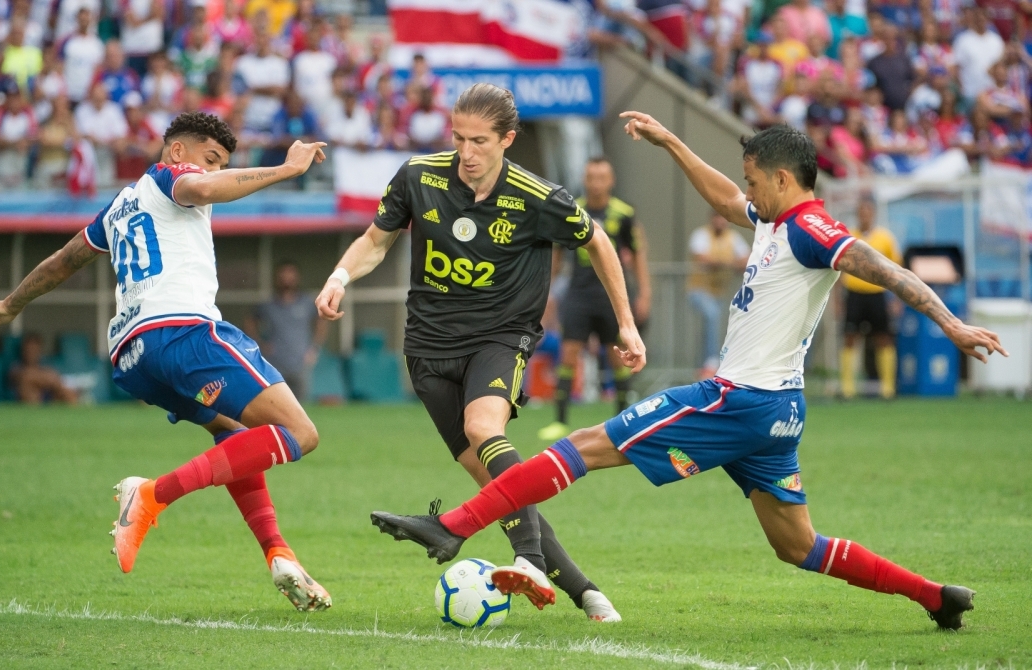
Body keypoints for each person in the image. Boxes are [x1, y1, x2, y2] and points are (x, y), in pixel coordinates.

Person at [369, 115, 1008, 632]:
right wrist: (673, 143)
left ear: (784, 180)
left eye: (754, 180)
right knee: (798, 547)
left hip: (736, 400)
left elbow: (883, 267)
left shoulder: (811, 227)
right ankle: (933, 596)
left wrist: (948, 321)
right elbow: (726, 199)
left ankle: (451, 526)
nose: (745, 190)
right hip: (778, 411)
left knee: (586, 446)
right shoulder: (776, 222)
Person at [0, 112, 334, 612]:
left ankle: (277, 550)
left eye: (219, 164)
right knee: (303, 433)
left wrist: (11, 303)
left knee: (233, 432)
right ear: (177, 152)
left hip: (132, 357)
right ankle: (153, 495)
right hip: (182, 331)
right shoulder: (172, 180)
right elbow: (204, 191)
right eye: (207, 160)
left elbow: (63, 260)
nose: (209, 171)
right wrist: (286, 170)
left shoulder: (119, 205)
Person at [315, 83, 642, 622]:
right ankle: (585, 592)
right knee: (499, 485)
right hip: (427, 348)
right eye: (459, 138)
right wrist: (339, 276)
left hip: (500, 337)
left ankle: (529, 559)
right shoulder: (419, 177)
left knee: (484, 430)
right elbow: (376, 239)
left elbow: (598, 242)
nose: (466, 153)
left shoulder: (539, 197)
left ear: (508, 140)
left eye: (480, 141)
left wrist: (626, 323)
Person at [538, 156, 650, 442]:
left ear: (611, 181)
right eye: (591, 178)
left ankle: (623, 421)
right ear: (585, 180)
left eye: (602, 178)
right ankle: (560, 421)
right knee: (569, 354)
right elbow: (558, 254)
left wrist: (644, 293)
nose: (596, 184)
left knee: (617, 357)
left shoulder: (624, 213)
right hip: (578, 294)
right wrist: (547, 292)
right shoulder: (573, 210)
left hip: (610, 295)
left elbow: (637, 254)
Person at [840, 195, 903, 399]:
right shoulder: (848, 236)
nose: (864, 215)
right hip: (854, 294)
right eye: (861, 211)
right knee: (850, 338)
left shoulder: (885, 238)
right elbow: (838, 269)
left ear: (873, 213)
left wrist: (895, 298)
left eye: (868, 211)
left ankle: (888, 388)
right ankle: (848, 389)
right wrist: (837, 299)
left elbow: (896, 270)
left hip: (877, 294)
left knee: (883, 338)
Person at [245, 262, 327, 402]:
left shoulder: (307, 303)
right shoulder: (268, 304)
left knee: (300, 406)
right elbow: (250, 320)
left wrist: (314, 348)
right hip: (275, 363)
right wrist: (260, 344)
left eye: (291, 275)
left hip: (300, 362)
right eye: (284, 276)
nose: (287, 279)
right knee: (275, 404)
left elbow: (321, 322)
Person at [686, 212, 749, 379]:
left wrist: (722, 264)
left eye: (723, 218)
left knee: (712, 327)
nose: (720, 221)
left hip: (719, 293)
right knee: (711, 315)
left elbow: (746, 259)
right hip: (699, 290)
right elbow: (702, 258)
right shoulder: (701, 234)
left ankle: (707, 365)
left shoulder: (732, 237)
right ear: (711, 219)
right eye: (717, 218)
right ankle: (711, 363)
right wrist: (729, 264)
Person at [7, 332, 78, 405]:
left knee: (67, 392)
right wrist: (47, 379)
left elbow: (56, 379)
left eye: (34, 350)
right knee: (27, 385)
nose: (31, 353)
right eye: (28, 350)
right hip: (29, 401)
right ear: (23, 350)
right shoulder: (16, 367)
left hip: (48, 397)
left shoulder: (45, 366)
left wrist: (50, 380)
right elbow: (26, 376)